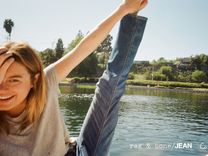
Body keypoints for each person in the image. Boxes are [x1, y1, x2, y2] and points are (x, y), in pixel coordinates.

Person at [0, 0, 148, 155]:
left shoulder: (45, 83)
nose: (2, 90)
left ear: (34, 81)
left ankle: (132, 17)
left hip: (79, 151)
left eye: (13, 80)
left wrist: (123, 9)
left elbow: (84, 48)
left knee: (111, 84)